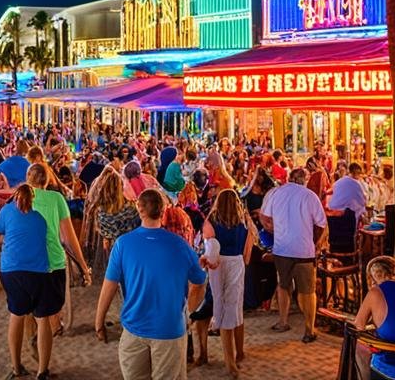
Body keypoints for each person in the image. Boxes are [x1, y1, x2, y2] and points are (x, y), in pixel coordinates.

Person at [95, 188, 207, 380]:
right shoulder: (180, 245)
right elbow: (199, 282)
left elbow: (109, 287)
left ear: (139, 210)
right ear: (163, 212)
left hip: (134, 327)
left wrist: (99, 322)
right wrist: (189, 314)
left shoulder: (123, 244)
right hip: (170, 328)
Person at [27, 162, 92, 379]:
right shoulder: (56, 199)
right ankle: (42, 369)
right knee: (45, 316)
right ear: (47, 181)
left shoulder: (21, 199)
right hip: (51, 261)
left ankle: (21, 359)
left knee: (24, 313)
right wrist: (83, 266)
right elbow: (68, 237)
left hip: (25, 262)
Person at [0, 183, 52, 380]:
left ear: (15, 196)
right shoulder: (40, 219)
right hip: (38, 271)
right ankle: (43, 371)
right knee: (42, 319)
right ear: (32, 199)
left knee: (16, 315)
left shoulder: (7, 211)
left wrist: (7, 241)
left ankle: (17, 367)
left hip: (11, 270)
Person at [260, 167, 326, 343]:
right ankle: (309, 329)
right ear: (305, 179)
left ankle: (283, 321)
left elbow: (264, 218)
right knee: (308, 291)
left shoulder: (276, 193)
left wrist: (274, 229)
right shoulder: (309, 196)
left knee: (284, 286)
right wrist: (317, 243)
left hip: (282, 249)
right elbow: (322, 223)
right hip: (304, 250)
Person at [202, 189, 255, 378]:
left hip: (219, 265)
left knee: (223, 309)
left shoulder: (212, 221)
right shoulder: (244, 222)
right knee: (236, 307)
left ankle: (230, 362)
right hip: (237, 262)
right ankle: (239, 352)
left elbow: (209, 249)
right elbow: (248, 253)